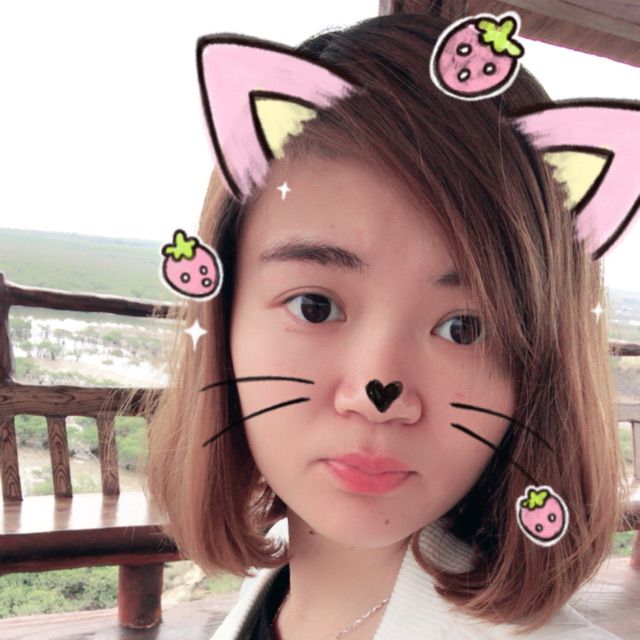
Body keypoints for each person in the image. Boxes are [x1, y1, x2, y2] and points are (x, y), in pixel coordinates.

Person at [144, 12, 627, 640]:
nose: (377, 392)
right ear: (224, 315)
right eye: (314, 306)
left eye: (464, 327)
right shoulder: (263, 608)